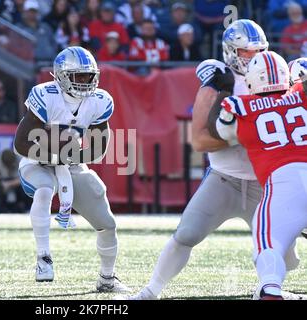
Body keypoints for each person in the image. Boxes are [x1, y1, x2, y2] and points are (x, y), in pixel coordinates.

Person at [123, 19, 301, 300]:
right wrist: (244, 134)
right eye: (245, 52)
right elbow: (200, 140)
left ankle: (268, 288)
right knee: (187, 234)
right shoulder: (219, 82)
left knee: (288, 257)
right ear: (231, 52)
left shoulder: (277, 75)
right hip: (224, 178)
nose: (254, 57)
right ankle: (150, 291)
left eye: (259, 50)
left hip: (266, 183)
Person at [14, 46, 129, 292]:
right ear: (61, 75)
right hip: (37, 161)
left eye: (89, 76)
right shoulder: (47, 95)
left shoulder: (99, 101)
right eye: (78, 76)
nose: (85, 82)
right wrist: (55, 155)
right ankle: (43, 258)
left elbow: (98, 149)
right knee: (45, 189)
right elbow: (21, 143)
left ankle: (107, 279)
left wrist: (71, 156)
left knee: (107, 223)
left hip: (71, 164)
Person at [209, 51, 307, 299]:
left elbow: (223, 133)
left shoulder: (240, 106)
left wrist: (222, 94)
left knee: (267, 244)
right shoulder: (301, 94)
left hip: (282, 183)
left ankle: (271, 289)